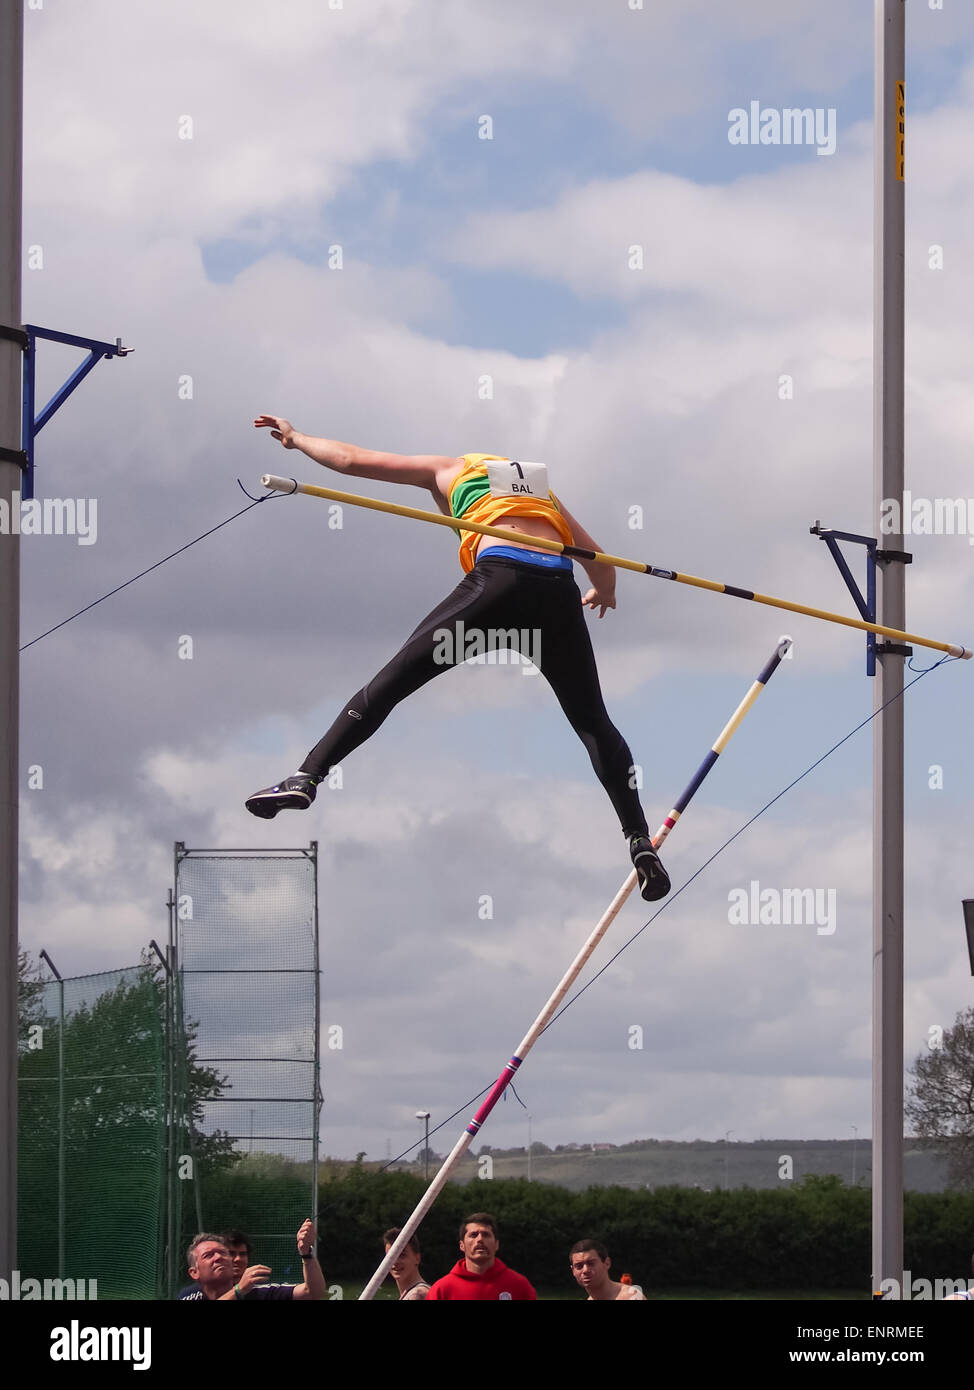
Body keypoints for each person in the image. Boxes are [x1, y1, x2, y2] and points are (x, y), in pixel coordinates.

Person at [245, 421, 669, 903]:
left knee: (392, 682)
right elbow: (600, 561)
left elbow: (350, 459)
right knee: (593, 722)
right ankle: (639, 839)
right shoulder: (540, 491)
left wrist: (297, 439)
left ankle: (307, 775)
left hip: (498, 586)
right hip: (556, 596)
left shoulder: (447, 469)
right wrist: (605, 594)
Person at [178, 1220, 326, 1300]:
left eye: (222, 1253)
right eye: (208, 1255)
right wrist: (239, 1291)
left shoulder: (259, 1292)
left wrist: (306, 1253)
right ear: (194, 1273)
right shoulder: (190, 1296)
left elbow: (313, 1293)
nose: (218, 1258)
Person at [425, 1212, 536, 1300]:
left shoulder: (519, 1286)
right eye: (473, 1235)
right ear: (462, 1245)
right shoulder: (442, 1290)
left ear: (496, 1244)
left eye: (486, 1235)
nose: (480, 1239)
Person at [569, 1238, 645, 1300]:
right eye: (579, 1266)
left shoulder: (630, 1296)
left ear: (607, 1263)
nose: (585, 1270)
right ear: (573, 1271)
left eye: (591, 1263)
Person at [382, 1227, 431, 1301]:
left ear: (417, 1258)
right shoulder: (411, 1294)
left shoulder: (417, 1295)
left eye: (402, 1255)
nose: (395, 1262)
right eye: (391, 1256)